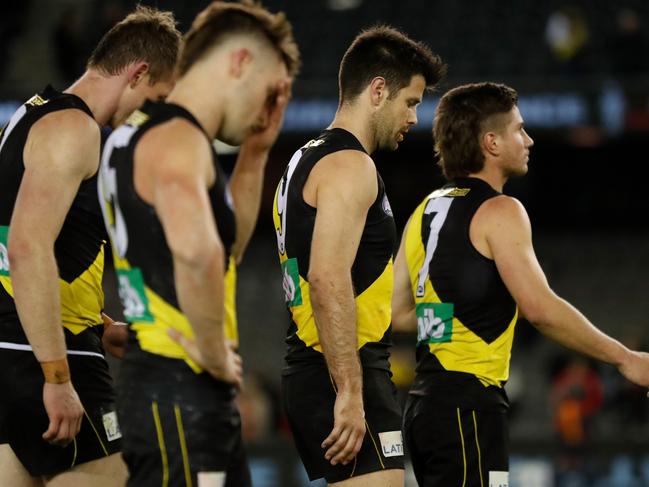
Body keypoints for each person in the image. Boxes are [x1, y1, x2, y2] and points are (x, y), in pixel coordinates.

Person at [392, 82, 649, 486]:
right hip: (469, 405)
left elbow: (395, 312)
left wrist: (450, 322)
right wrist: (625, 358)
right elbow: (539, 309)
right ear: (491, 142)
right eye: (519, 129)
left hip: (425, 407)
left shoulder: (425, 210)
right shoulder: (502, 209)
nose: (528, 139)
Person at [98, 2, 299, 485]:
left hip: (166, 384)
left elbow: (223, 248)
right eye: (269, 88)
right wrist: (212, 352)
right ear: (239, 62)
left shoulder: (141, 135)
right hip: (180, 389)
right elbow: (198, 253)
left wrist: (255, 155)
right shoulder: (178, 141)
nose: (267, 105)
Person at [0, 6, 180, 486]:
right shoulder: (76, 131)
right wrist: (57, 377)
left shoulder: (29, 117)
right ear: (137, 72)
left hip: (15, 348)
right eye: (157, 98)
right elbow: (25, 247)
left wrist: (99, 327)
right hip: (48, 357)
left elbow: (19, 251)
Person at [272, 25, 445, 485]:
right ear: (378, 90)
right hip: (341, 370)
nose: (414, 117)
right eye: (410, 101)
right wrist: (349, 391)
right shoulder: (351, 166)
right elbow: (327, 278)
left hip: (319, 362)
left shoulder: (302, 159)